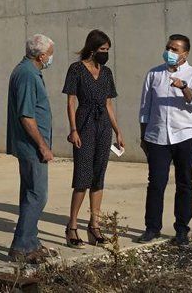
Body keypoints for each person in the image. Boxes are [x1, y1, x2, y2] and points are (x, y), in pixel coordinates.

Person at [136, 34, 192, 246]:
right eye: (168, 48)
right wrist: (144, 135)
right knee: (156, 183)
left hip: (185, 134)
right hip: (157, 136)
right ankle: (152, 228)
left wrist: (184, 87)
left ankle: (182, 230)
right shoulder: (154, 74)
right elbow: (145, 107)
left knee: (184, 182)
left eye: (175, 49)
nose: (170, 52)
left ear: (185, 53)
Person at [62, 30, 125, 248]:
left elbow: (109, 103)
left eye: (107, 50)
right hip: (84, 123)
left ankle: (94, 225)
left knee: (98, 176)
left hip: (103, 127)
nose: (105, 54)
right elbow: (71, 102)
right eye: (102, 50)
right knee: (82, 177)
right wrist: (73, 129)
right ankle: (72, 227)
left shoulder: (106, 73)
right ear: (92, 49)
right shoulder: (76, 69)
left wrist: (117, 130)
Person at [5, 33, 56, 263]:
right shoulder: (27, 75)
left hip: (29, 145)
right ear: (42, 55)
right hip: (32, 146)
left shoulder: (28, 71)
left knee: (30, 194)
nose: (51, 59)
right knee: (37, 195)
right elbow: (27, 116)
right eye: (50, 54)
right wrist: (43, 146)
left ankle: (31, 242)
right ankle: (21, 246)